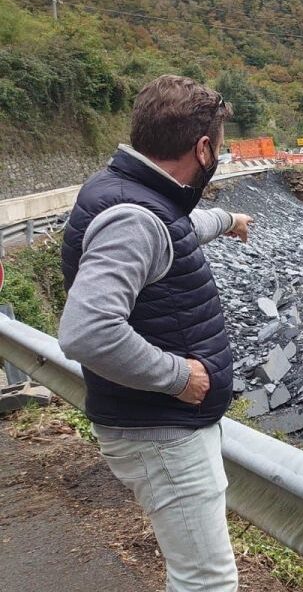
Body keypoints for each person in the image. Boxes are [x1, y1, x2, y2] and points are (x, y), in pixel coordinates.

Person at [57, 75, 253, 592]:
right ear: (203, 148)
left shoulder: (133, 193)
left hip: (153, 424)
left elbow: (176, 231)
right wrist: (177, 377)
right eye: (220, 148)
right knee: (205, 580)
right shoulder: (135, 216)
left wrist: (228, 219)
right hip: (161, 430)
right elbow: (87, 332)